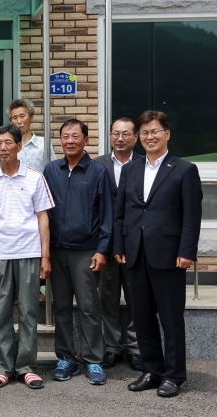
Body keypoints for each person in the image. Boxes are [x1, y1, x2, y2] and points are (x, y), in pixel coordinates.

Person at [114, 110, 202, 398]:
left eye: (155, 131)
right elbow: (121, 214)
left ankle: (174, 375)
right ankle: (151, 369)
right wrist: (119, 246)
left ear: (167, 134)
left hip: (169, 255)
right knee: (142, 318)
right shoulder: (131, 169)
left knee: (171, 319)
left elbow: (192, 215)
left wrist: (187, 251)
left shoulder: (184, 169)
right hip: (135, 254)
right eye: (145, 133)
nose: (149, 137)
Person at [0, 124, 54, 389]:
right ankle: (4, 367)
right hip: (0, 254)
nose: (3, 148)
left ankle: (26, 367)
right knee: (1, 313)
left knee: (29, 311)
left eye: (8, 142)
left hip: (30, 253)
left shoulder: (34, 177)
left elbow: (43, 217)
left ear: (19, 146)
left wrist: (45, 256)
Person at [42, 119, 113, 386]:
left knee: (88, 307)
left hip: (86, 251)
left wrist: (102, 249)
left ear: (86, 139)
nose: (69, 140)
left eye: (75, 136)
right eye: (65, 136)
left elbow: (107, 214)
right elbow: (43, 212)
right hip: (57, 250)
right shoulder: (51, 170)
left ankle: (93, 360)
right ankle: (66, 359)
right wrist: (44, 251)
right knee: (60, 307)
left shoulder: (97, 171)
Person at [93, 118, 143, 371]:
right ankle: (111, 348)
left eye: (126, 134)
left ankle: (135, 348)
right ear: (110, 136)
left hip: (137, 244)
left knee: (137, 298)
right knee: (107, 298)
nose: (120, 138)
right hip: (106, 244)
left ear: (135, 137)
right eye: (116, 133)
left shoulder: (146, 165)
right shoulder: (97, 165)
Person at [6, 98, 56, 173]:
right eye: (15, 118)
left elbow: (53, 170)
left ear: (31, 118)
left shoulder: (44, 143)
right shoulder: (8, 145)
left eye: (22, 116)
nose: (19, 121)